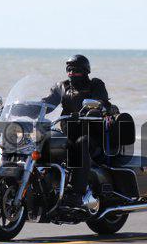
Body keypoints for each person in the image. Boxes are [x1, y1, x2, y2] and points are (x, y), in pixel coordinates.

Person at [42, 54, 111, 207]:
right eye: (69, 69)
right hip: (68, 133)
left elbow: (102, 102)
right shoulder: (62, 87)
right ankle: (44, 187)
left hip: (92, 134)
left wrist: (96, 108)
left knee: (82, 143)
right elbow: (46, 104)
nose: (72, 73)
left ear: (85, 71)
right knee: (45, 140)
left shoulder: (95, 85)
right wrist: (27, 108)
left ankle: (77, 193)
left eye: (76, 70)